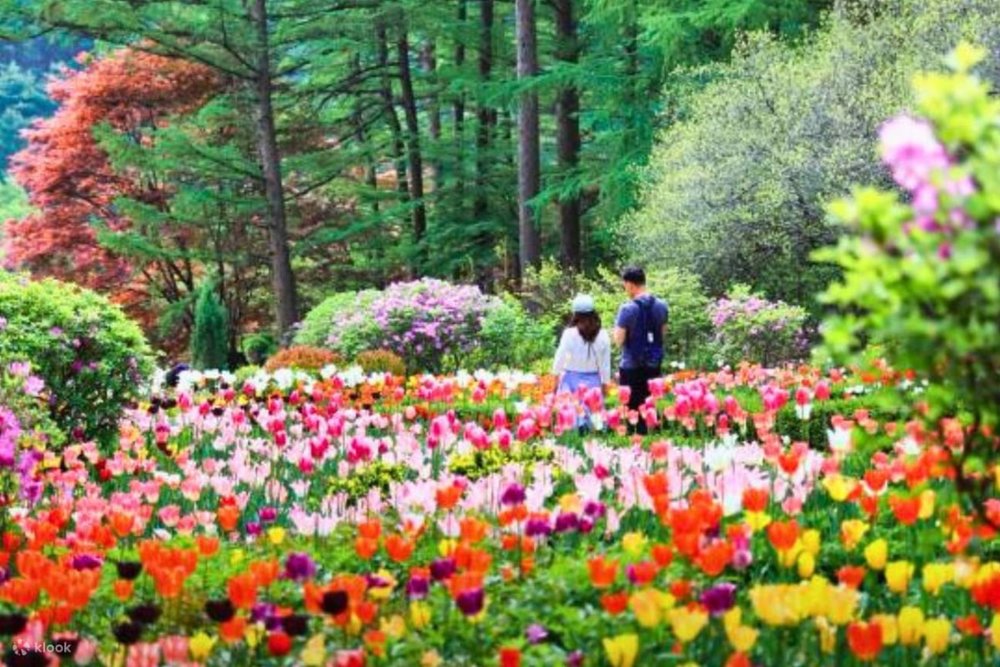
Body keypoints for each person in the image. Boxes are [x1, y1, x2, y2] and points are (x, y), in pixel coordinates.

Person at [613, 266, 668, 434]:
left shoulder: (627, 309)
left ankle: (634, 438)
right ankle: (652, 435)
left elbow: (619, 340)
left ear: (630, 285)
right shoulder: (662, 306)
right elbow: (662, 336)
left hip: (631, 365)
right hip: (653, 364)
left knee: (632, 408)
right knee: (650, 403)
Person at [552, 294, 611, 396]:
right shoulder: (603, 335)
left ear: (575, 314)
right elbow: (605, 365)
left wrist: (556, 381)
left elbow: (559, 358)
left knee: (570, 406)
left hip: (570, 382)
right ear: (593, 313)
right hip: (593, 384)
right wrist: (605, 386)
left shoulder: (569, 333)